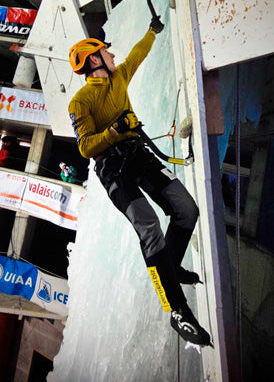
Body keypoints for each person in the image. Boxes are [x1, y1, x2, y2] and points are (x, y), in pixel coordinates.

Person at [68, 18, 212, 347]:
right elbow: (86, 146)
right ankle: (176, 310)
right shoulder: (80, 101)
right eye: (106, 52)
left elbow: (136, 54)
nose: (113, 56)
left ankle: (171, 269)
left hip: (139, 155)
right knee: (148, 226)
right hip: (112, 170)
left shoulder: (119, 77)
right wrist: (116, 129)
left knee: (186, 209)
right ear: (94, 60)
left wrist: (152, 31)